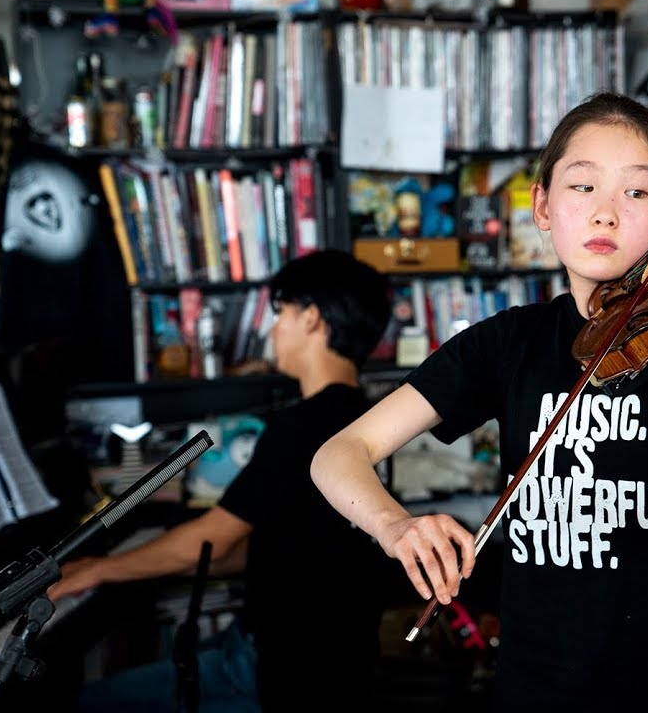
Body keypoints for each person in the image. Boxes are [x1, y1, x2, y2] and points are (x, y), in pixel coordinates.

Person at [310, 91, 648, 712]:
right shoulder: (510, 342)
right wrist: (395, 525)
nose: (607, 215)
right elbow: (338, 453)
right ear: (543, 206)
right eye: (583, 187)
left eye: (638, 193)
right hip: (535, 686)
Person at [47, 250, 397, 712]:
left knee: (87, 703)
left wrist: (95, 569)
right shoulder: (371, 421)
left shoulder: (301, 426)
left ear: (312, 319)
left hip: (283, 666)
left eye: (281, 314)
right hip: (335, 660)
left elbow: (211, 539)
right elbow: (274, 547)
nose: (273, 329)